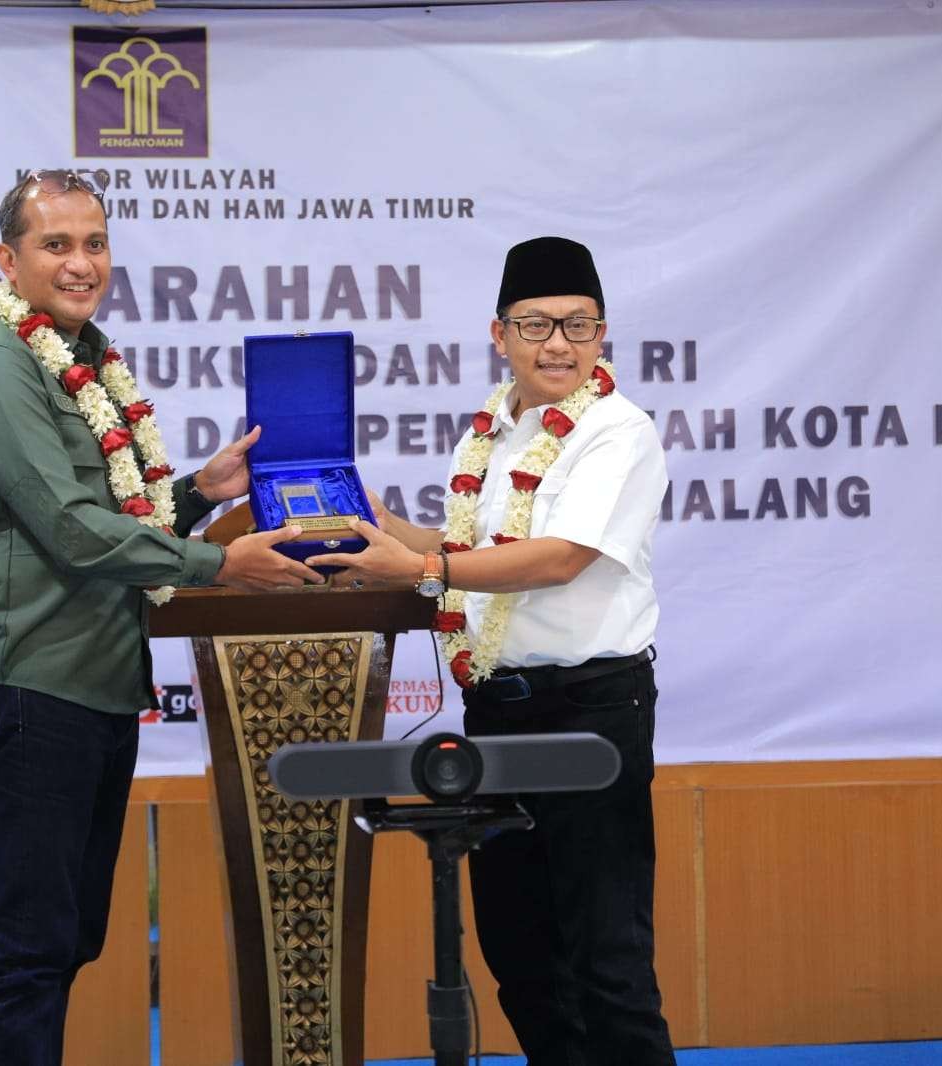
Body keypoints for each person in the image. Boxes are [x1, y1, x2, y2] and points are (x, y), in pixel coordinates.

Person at [0, 168, 322, 1066]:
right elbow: (72, 532)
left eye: (95, 243)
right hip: (32, 684)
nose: (82, 264)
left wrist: (196, 492)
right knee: (29, 950)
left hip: (96, 689)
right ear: (8, 259)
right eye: (56, 244)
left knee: (66, 943)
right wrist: (223, 560)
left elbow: (111, 514)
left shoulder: (81, 359)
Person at [307, 236, 675, 1065]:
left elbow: (559, 557)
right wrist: (377, 522)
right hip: (498, 711)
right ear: (498, 333)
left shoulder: (617, 431)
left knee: (606, 958)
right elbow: (470, 551)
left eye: (579, 327)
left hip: (593, 711)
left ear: (603, 334)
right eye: (536, 325)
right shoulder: (492, 434)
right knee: (522, 957)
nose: (558, 345)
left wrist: (425, 566)